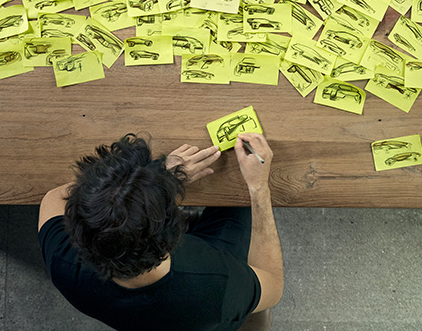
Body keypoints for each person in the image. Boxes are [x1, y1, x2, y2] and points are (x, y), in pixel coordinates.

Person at [38, 132, 282, 331]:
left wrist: (153, 178)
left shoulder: (63, 261)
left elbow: (53, 197)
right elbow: (273, 286)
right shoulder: (217, 285)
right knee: (238, 204)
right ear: (176, 233)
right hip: (203, 309)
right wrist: (259, 187)